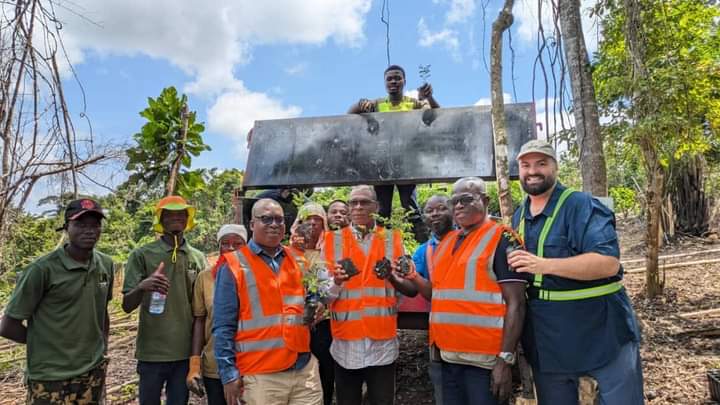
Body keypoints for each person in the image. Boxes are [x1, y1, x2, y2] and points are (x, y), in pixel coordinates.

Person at [508, 140, 644, 404]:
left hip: (600, 329)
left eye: (541, 164)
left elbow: (608, 263)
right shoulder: (519, 215)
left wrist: (544, 265)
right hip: (548, 337)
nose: (532, 171)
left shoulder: (582, 205)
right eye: (526, 165)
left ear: (555, 168)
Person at [409, 179, 526, 405]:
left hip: (484, 362)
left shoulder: (503, 238)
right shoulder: (447, 241)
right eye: (455, 202)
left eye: (466, 199)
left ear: (485, 200)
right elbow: (438, 293)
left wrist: (505, 360)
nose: (459, 206)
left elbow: (517, 303)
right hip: (448, 358)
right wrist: (413, 276)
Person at [0, 198, 113, 404]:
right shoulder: (41, 270)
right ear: (66, 227)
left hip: (92, 372)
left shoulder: (105, 264)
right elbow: (8, 326)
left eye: (95, 225)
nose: (89, 230)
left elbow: (102, 310)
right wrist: (48, 343)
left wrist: (102, 348)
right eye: (80, 224)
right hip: (50, 377)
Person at [213, 199, 323, 405]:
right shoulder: (233, 265)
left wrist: (316, 303)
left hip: (304, 371)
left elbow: (310, 295)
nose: (274, 224)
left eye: (279, 219)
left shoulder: (298, 259)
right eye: (266, 219)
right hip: (260, 376)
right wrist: (229, 374)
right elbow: (223, 325)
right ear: (252, 224)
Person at [323, 185, 419, 405]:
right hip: (346, 344)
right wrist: (337, 282)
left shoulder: (393, 239)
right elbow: (323, 297)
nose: (358, 207)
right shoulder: (331, 241)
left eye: (364, 202)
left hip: (382, 344)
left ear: (376, 206)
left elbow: (407, 286)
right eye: (353, 202)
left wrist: (393, 278)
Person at [122, 196, 207, 405]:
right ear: (161, 219)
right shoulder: (142, 254)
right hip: (152, 352)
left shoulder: (198, 258)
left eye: (181, 214)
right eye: (169, 214)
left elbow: (202, 309)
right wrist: (143, 286)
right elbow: (126, 306)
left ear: (188, 219)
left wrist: (197, 357)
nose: (176, 218)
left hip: (184, 353)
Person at [348, 65, 440, 243]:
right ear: (385, 82)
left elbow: (434, 115)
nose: (393, 81)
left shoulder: (413, 103)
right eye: (389, 78)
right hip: (382, 165)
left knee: (410, 207)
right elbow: (349, 114)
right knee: (382, 210)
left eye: (397, 78)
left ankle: (424, 245)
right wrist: (359, 104)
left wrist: (429, 97)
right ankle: (383, 246)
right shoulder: (377, 104)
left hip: (406, 164)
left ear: (404, 81)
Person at [186, 224, 248, 405]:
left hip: (251, 361)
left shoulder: (255, 276)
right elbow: (199, 320)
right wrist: (195, 365)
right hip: (216, 364)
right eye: (225, 243)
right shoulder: (205, 278)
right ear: (219, 246)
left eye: (237, 244)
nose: (230, 248)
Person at [408, 195, 455, 405]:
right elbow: (413, 287)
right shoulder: (423, 251)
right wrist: (396, 274)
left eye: (441, 208)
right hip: (440, 336)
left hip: (479, 338)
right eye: (429, 210)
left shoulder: (469, 241)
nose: (435, 213)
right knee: (444, 391)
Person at [288, 202, 336, 405]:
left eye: (318, 220)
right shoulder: (287, 252)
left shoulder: (330, 250)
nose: (313, 224)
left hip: (322, 322)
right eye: (308, 220)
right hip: (294, 322)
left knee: (325, 369)